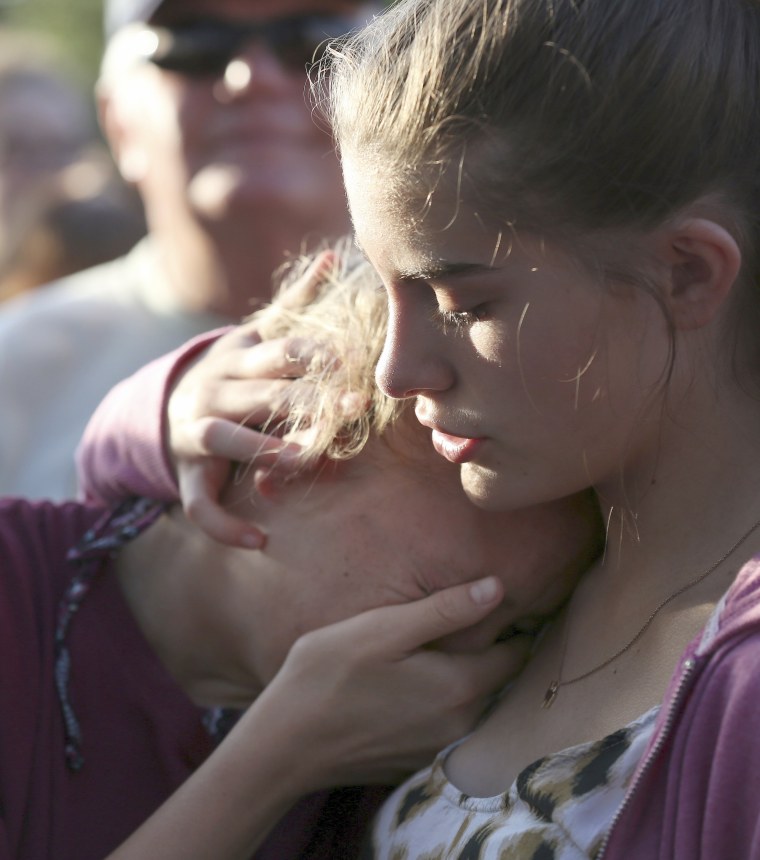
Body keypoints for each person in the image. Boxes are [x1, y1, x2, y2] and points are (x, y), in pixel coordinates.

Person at [315, 0, 760, 856]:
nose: (396, 373)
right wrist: (151, 421)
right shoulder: (507, 559)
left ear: (689, 273)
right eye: (386, 290)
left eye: (464, 302)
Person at [0, 247, 601, 859]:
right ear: (287, 446)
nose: (462, 686)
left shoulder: (408, 775)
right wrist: (276, 762)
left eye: (517, 631)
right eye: (434, 600)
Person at [0, 0, 374, 500]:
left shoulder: (474, 337)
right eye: (195, 45)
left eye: (315, 40)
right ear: (117, 121)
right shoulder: (18, 370)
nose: (253, 76)